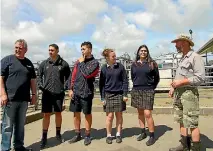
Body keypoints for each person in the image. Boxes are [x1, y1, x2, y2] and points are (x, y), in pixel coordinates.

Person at [169, 34, 205, 151]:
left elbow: (200, 77)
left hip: (189, 93)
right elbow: (180, 76)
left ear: (184, 42)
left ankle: (196, 148)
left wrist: (181, 82)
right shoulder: (183, 58)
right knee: (181, 120)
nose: (175, 45)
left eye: (177, 42)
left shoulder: (195, 57)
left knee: (192, 122)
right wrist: (174, 87)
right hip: (179, 93)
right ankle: (184, 145)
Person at [1, 39, 37, 151]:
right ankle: (5, 148)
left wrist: (34, 94)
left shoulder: (29, 63)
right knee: (7, 126)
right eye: (16, 47)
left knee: (20, 126)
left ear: (25, 50)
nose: (17, 49)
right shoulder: (7, 60)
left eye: (20, 48)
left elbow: (33, 80)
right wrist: (2, 94)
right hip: (10, 99)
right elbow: (0, 78)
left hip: (24, 100)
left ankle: (18, 146)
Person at [37, 44, 71, 149]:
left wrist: (64, 87)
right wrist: (40, 86)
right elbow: (38, 75)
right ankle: (44, 137)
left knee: (58, 113)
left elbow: (69, 77)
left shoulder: (64, 64)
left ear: (57, 51)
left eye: (52, 50)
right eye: (49, 50)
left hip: (58, 94)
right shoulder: (44, 63)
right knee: (46, 115)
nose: (50, 52)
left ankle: (58, 133)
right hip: (46, 94)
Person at [68, 41, 99, 146]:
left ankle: (87, 135)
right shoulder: (78, 62)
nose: (82, 51)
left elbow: (87, 74)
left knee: (87, 114)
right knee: (75, 113)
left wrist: (81, 62)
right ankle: (77, 134)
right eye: (81, 49)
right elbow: (73, 75)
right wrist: (70, 89)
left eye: (84, 49)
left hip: (86, 92)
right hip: (76, 92)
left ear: (90, 49)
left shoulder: (95, 63)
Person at [130, 45, 160, 146]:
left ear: (147, 52)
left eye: (145, 51)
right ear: (138, 52)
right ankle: (143, 132)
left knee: (148, 114)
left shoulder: (152, 64)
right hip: (137, 90)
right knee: (140, 113)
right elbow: (133, 77)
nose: (143, 52)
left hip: (148, 91)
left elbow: (157, 78)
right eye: (141, 51)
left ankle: (152, 136)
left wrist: (152, 87)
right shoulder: (134, 64)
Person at [99, 49, 128, 144]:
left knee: (119, 115)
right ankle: (108, 135)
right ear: (107, 58)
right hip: (108, 94)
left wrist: (125, 94)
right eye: (113, 56)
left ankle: (118, 134)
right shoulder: (103, 68)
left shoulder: (120, 67)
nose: (115, 58)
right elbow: (101, 84)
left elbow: (125, 81)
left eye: (115, 56)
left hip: (119, 94)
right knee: (109, 116)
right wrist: (102, 97)